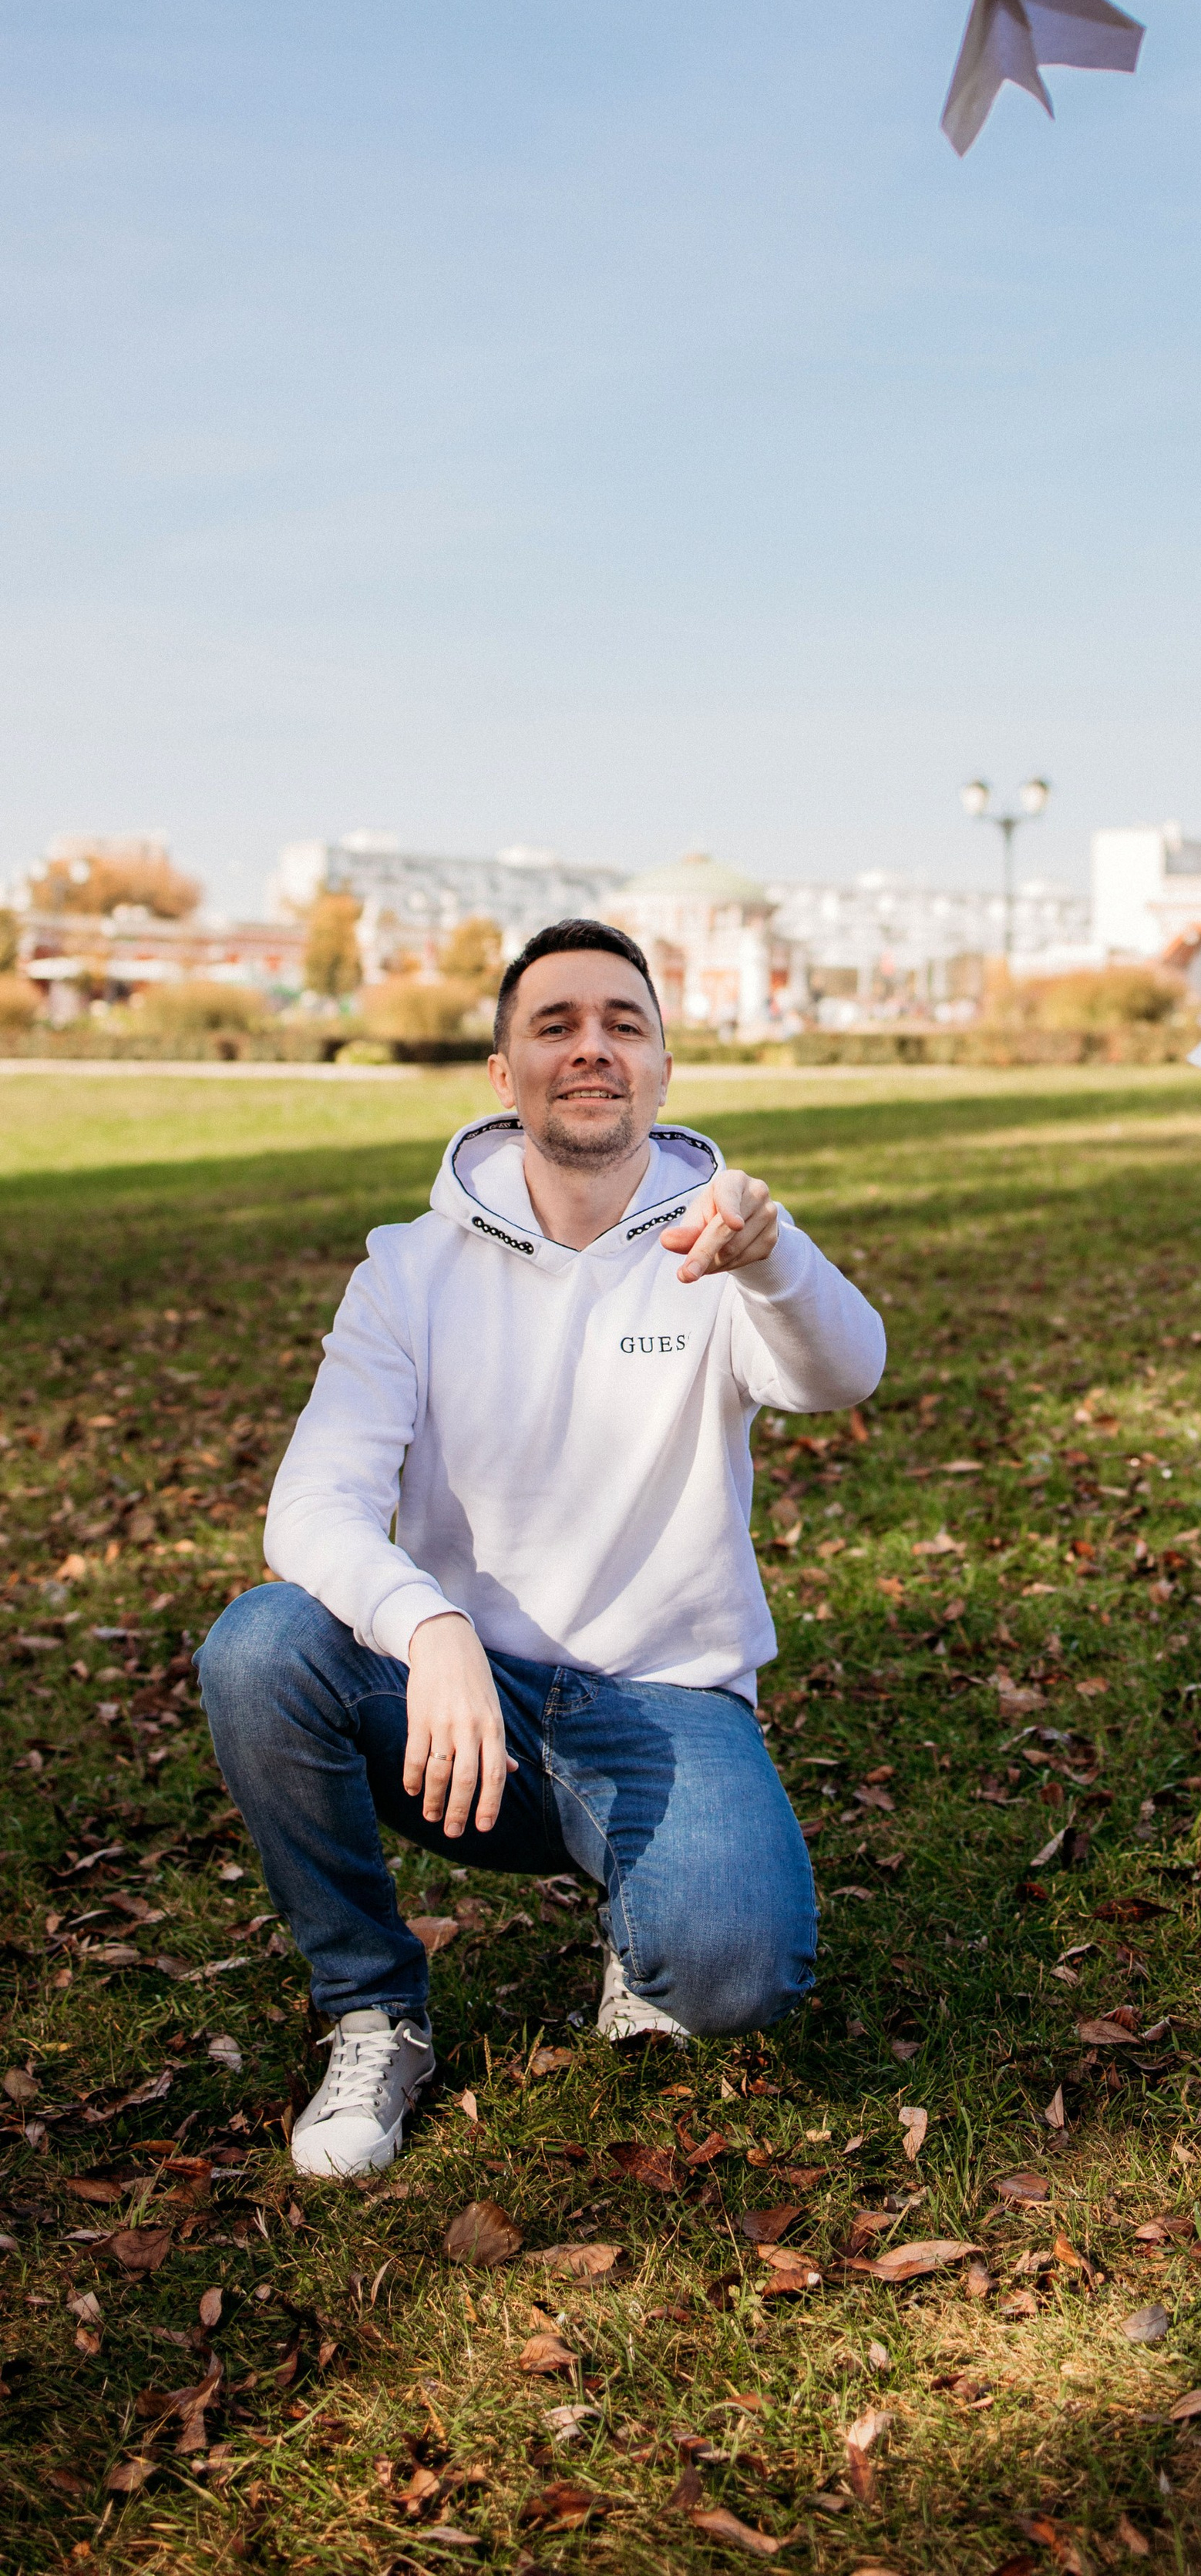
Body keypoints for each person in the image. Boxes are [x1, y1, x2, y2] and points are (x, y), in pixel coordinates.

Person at [197, 919, 884, 2179]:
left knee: (737, 1976)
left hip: (668, 1703)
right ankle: (373, 2011)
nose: (592, 1049)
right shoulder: (407, 1272)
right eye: (555, 1025)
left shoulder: (722, 1242)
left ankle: (648, 1924)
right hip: (463, 1716)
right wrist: (432, 1626)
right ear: (504, 1074)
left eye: (624, 1024)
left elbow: (848, 1376)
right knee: (262, 1649)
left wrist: (776, 1255)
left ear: (663, 1069)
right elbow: (310, 1508)